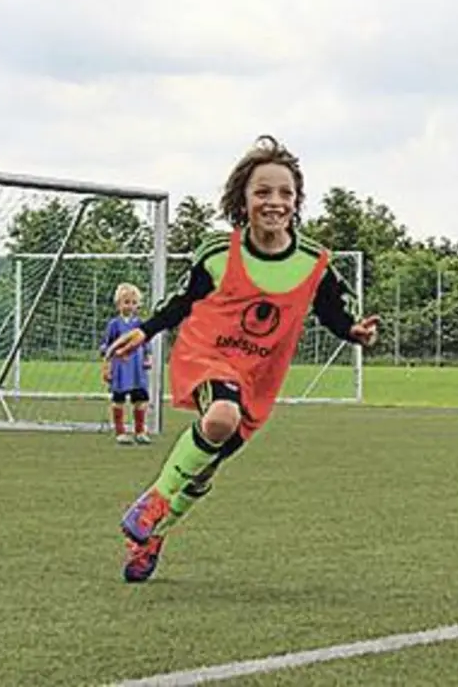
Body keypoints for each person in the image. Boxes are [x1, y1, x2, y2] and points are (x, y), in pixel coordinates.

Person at [105, 136, 381, 583]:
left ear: (296, 201)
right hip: (207, 355)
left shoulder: (314, 262)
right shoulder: (218, 253)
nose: (275, 201)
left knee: (205, 467)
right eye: (263, 192)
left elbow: (333, 312)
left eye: (285, 193)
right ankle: (152, 500)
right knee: (221, 416)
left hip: (260, 377)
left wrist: (354, 331)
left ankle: (153, 535)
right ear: (243, 200)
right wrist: (146, 330)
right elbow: (182, 301)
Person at [101, 282, 152, 445]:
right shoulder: (114, 324)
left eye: (133, 302)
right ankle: (120, 432)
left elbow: (145, 342)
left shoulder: (139, 324)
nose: (130, 306)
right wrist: (107, 365)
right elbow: (106, 345)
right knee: (119, 398)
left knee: (140, 399)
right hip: (121, 368)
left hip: (137, 369)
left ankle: (140, 431)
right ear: (118, 304)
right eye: (126, 302)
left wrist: (147, 357)